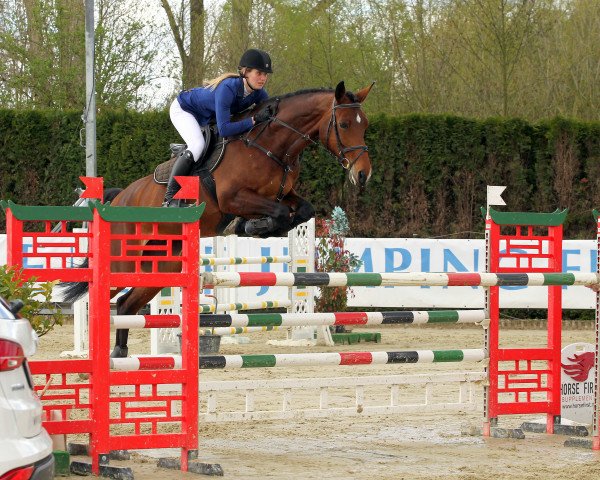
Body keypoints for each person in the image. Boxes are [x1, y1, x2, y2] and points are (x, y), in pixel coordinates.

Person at [163, 48, 274, 207]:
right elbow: (225, 129)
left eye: (266, 74)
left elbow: (271, 113)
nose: (263, 78)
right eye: (259, 73)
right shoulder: (227, 88)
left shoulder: (259, 93)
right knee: (198, 145)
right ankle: (170, 199)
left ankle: (184, 151)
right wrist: (254, 120)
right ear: (246, 72)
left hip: (207, 117)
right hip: (185, 109)